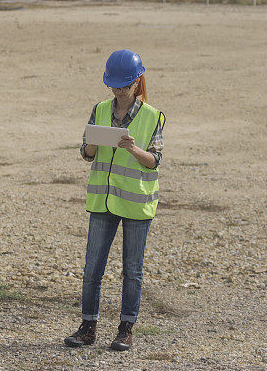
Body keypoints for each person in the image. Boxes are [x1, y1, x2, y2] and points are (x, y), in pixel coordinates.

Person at [64, 49, 165, 352]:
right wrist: (91, 146)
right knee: (93, 268)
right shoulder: (100, 109)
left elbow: (155, 160)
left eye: (124, 85)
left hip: (136, 203)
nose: (118, 91)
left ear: (137, 82)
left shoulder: (151, 116)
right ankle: (87, 328)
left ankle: (126, 330)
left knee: (131, 270)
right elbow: (86, 153)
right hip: (103, 202)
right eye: (114, 85)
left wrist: (134, 150)